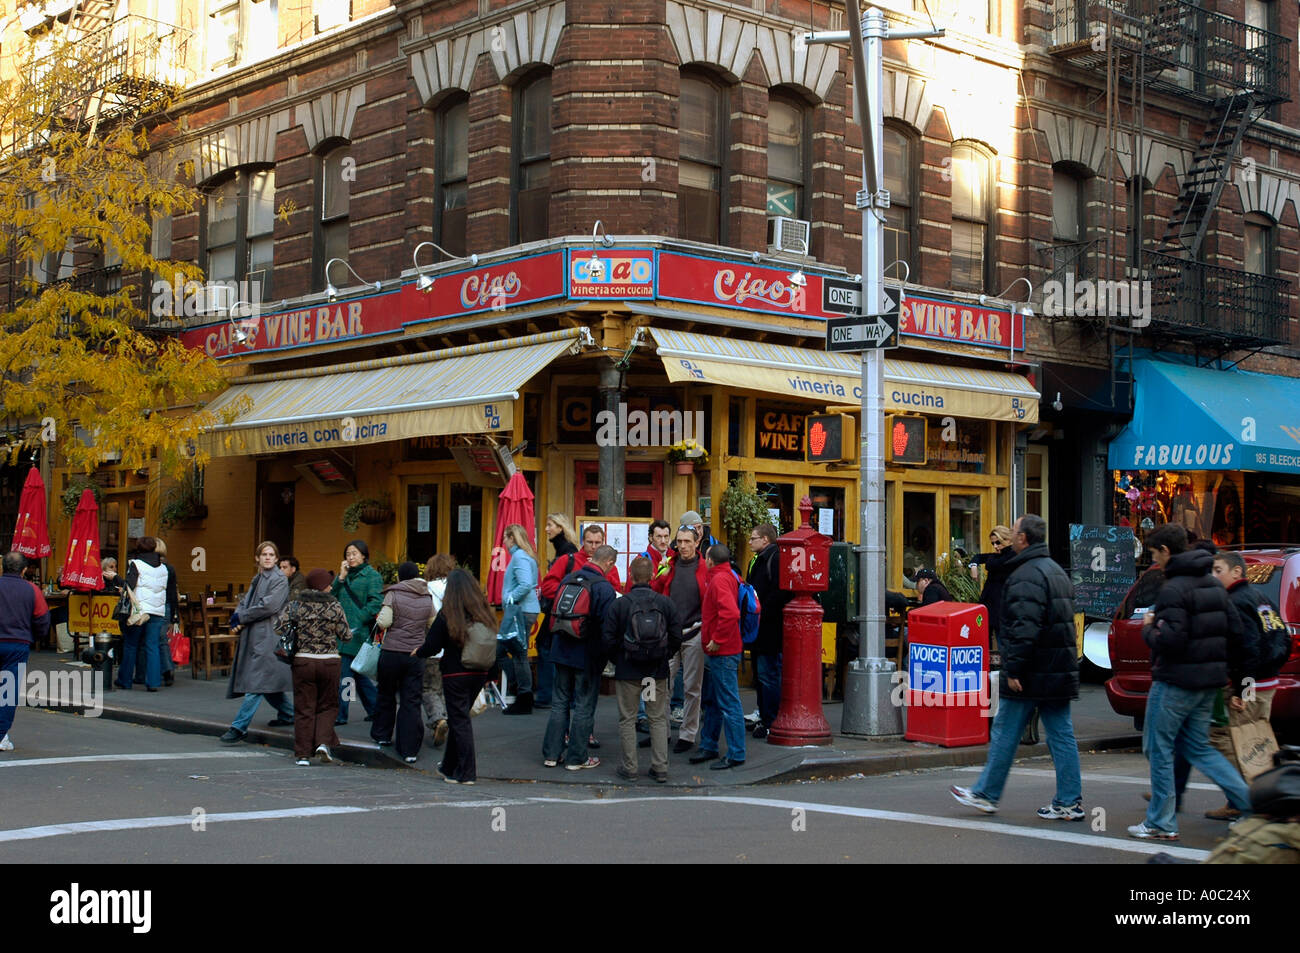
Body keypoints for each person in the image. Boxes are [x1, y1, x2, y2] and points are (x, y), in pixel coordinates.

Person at [951, 514, 1083, 820]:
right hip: (1056, 668)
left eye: (1014, 532)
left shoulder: (1027, 575)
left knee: (1006, 730)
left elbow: (1024, 628)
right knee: (1061, 735)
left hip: (1032, 671)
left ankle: (987, 793)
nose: (1010, 536)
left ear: (1023, 539)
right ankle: (1068, 801)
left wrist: (1014, 670)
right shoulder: (1055, 571)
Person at [1127, 522, 1251, 841]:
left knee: (1158, 747)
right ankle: (1253, 807)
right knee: (1199, 747)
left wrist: (1149, 628)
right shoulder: (1212, 583)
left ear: (1166, 552)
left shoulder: (1173, 588)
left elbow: (1171, 639)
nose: (1154, 561)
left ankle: (1161, 821)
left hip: (1175, 680)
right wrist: (1232, 678)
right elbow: (1237, 632)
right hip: (1209, 682)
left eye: (1154, 554)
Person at [1206, 550, 1288, 820]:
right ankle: (1239, 802)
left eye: (1219, 570)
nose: (1214, 575)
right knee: (1255, 742)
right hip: (1266, 681)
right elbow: (1281, 638)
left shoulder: (1237, 601)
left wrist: (1243, 689)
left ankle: (1253, 804)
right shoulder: (1260, 597)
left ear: (1237, 572)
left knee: (1238, 744)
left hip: (1252, 685)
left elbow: (1248, 648)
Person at [603, 556, 683, 782]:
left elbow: (608, 639)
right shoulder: (665, 603)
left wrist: (620, 659)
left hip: (628, 671)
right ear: (651, 576)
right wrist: (664, 656)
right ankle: (660, 767)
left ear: (630, 575)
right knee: (657, 718)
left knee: (627, 719)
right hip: (655, 671)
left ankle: (630, 768)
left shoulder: (620, 605)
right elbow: (676, 636)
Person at [415, 570, 499, 783]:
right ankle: (449, 768)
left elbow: (433, 644)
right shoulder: (484, 613)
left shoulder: (449, 613)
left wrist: (419, 652)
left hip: (456, 672)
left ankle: (466, 772)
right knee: (457, 719)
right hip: (479, 672)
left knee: (460, 721)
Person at [542, 544, 618, 771]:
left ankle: (552, 755)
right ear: (609, 563)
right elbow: (607, 628)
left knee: (559, 704)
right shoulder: (604, 588)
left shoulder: (568, 579)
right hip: (587, 655)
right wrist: (609, 656)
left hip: (560, 649)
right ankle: (577, 758)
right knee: (584, 706)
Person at [221, 541, 293, 743]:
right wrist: (237, 614)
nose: (268, 557)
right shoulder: (258, 577)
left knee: (257, 683)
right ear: (258, 558)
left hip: (268, 636)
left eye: (271, 554)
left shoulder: (279, 579)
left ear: (277, 558)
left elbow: (268, 606)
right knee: (267, 681)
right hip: (257, 636)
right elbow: (245, 602)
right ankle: (288, 714)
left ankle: (239, 726)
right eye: (264, 554)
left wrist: (241, 617)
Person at [283, 568, 351, 765]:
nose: (331, 586)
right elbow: (346, 635)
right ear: (323, 585)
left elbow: (279, 627)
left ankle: (303, 754)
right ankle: (322, 743)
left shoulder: (296, 605)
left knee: (304, 707)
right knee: (328, 705)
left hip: (303, 660)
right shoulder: (334, 606)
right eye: (329, 583)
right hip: (329, 661)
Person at [652, 524, 709, 755]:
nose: (683, 546)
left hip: (695, 632)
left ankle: (687, 734)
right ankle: (661, 732)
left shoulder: (705, 568)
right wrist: (661, 574)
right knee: (661, 685)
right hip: (669, 634)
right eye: (680, 541)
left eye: (688, 541)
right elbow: (655, 591)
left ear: (697, 543)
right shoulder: (669, 565)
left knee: (692, 688)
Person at [372, 562, 437, 762]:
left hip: (391, 652)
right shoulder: (427, 596)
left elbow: (383, 622)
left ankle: (382, 736)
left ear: (399, 577)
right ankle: (409, 749)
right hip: (415, 655)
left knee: (386, 695)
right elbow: (433, 624)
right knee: (411, 700)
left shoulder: (393, 593)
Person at [691, 544, 747, 770]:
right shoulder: (727, 576)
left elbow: (730, 613)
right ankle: (709, 744)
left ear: (710, 560)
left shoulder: (719, 580)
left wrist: (717, 639)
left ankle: (736, 753)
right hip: (723, 651)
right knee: (714, 701)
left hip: (723, 652)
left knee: (728, 703)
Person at [0, 552, 51, 751]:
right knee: (7, 691)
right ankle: (1, 734)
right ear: (23, 570)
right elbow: (42, 619)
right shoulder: (32, 589)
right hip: (17, 643)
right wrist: (35, 637)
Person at [331, 539, 383, 725]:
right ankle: (377, 709)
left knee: (345, 676)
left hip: (359, 633)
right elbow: (332, 597)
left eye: (354, 553)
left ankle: (340, 713)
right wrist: (341, 577)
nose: (350, 557)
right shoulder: (344, 575)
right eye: (347, 554)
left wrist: (357, 620)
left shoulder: (372, 576)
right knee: (358, 675)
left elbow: (375, 603)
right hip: (342, 632)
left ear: (363, 555)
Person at [746, 523, 788, 739]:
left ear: (765, 539)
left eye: (753, 538)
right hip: (759, 629)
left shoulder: (775, 559)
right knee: (762, 676)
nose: (750, 542)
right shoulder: (758, 560)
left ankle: (771, 720)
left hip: (769, 629)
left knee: (768, 675)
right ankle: (764, 717)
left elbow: (779, 593)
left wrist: (761, 612)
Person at [535, 513, 580, 709]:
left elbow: (563, 582)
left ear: (561, 528)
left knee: (546, 646)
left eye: (550, 525)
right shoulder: (564, 549)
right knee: (550, 646)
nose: (547, 529)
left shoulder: (566, 551)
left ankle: (548, 695)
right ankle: (555, 694)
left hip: (559, 609)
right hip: (560, 608)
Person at [118, 537, 171, 693]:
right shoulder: (164, 568)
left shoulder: (136, 564)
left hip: (139, 611)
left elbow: (129, 586)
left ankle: (125, 680)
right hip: (157, 611)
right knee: (152, 645)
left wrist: (116, 579)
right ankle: (153, 682)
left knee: (131, 645)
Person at [498, 523, 540, 715]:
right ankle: (523, 694)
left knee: (513, 653)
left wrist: (509, 598)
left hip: (520, 610)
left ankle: (522, 694)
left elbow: (525, 585)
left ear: (512, 538)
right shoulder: (526, 557)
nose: (504, 542)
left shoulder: (519, 557)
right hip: (525, 609)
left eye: (505, 538)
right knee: (516, 652)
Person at [422, 553, 454, 747]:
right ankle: (443, 721)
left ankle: (438, 719)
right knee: (444, 689)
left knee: (428, 688)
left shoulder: (427, 590)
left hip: (432, 646)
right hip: (451, 648)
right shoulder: (455, 589)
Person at [969, 525, 1014, 660]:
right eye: (993, 543)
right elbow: (977, 556)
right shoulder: (999, 555)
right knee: (984, 642)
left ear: (1007, 540)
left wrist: (981, 562)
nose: (995, 546)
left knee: (1002, 644)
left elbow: (992, 564)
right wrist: (973, 565)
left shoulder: (1012, 554)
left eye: (998, 542)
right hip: (989, 605)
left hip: (1001, 607)